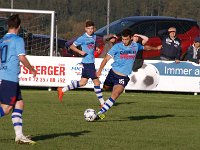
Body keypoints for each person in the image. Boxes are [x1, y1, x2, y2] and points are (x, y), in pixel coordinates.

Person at [95, 29, 158, 120]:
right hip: (112, 73)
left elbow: (146, 48)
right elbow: (105, 59)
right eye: (123, 39)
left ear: (131, 38)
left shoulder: (135, 46)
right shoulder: (117, 47)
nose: (124, 41)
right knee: (106, 88)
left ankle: (100, 113)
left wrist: (156, 48)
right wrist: (100, 70)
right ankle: (106, 101)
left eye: (126, 39)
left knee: (116, 94)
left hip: (123, 77)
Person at [0, 14, 37, 144]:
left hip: (5, 76)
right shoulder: (18, 40)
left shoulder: (2, 40)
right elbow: (21, 58)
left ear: (8, 26)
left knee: (19, 103)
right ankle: (19, 136)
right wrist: (32, 70)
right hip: (9, 78)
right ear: (19, 27)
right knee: (6, 108)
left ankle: (19, 135)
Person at [57, 20, 104, 107]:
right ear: (85, 29)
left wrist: (96, 48)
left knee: (83, 82)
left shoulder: (94, 37)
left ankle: (62, 90)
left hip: (89, 62)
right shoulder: (82, 38)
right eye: (88, 28)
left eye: (92, 28)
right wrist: (80, 51)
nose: (90, 30)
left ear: (94, 29)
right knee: (97, 82)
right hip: (88, 63)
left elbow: (92, 45)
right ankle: (102, 103)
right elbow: (72, 46)